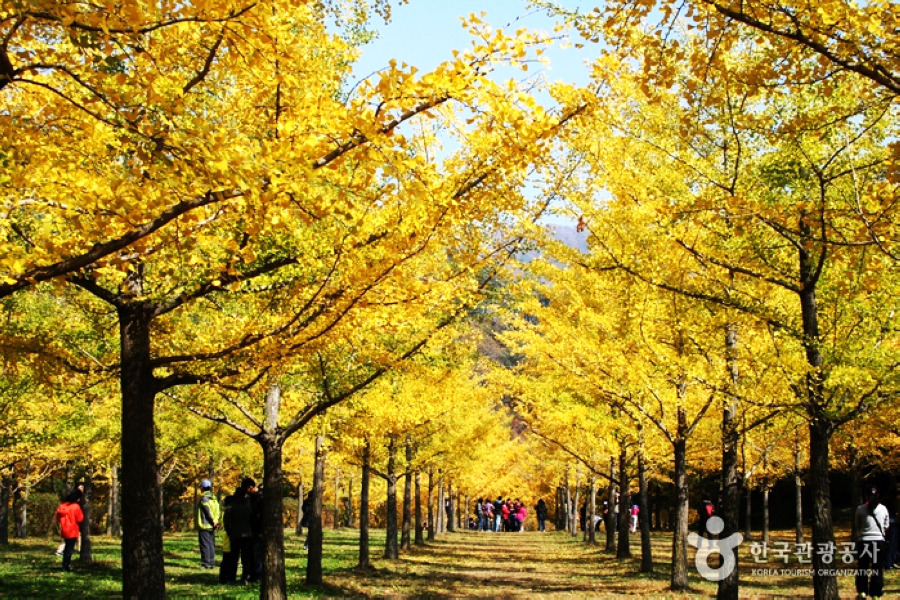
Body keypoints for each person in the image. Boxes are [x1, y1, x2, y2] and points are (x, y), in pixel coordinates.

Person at [855, 486, 890, 600]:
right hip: (879, 541)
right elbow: (886, 525)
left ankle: (862, 592)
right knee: (877, 568)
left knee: (862, 567)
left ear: (866, 496)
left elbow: (857, 524)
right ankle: (876, 594)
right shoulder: (883, 509)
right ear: (877, 496)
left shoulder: (860, 509)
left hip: (864, 541)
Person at [55, 488, 84, 572]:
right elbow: (80, 518)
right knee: (69, 549)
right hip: (73, 529)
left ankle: (65, 564)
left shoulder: (62, 506)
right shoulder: (75, 506)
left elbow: (58, 517)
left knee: (67, 547)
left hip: (64, 528)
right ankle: (66, 566)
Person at [197, 478, 220, 569]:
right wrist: (216, 521)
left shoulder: (204, 499)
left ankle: (205, 563)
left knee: (204, 545)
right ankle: (211, 562)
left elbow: (207, 511)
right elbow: (217, 511)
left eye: (200, 487)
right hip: (212, 525)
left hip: (205, 525)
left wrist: (212, 521)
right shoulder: (214, 498)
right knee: (210, 544)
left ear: (202, 488)